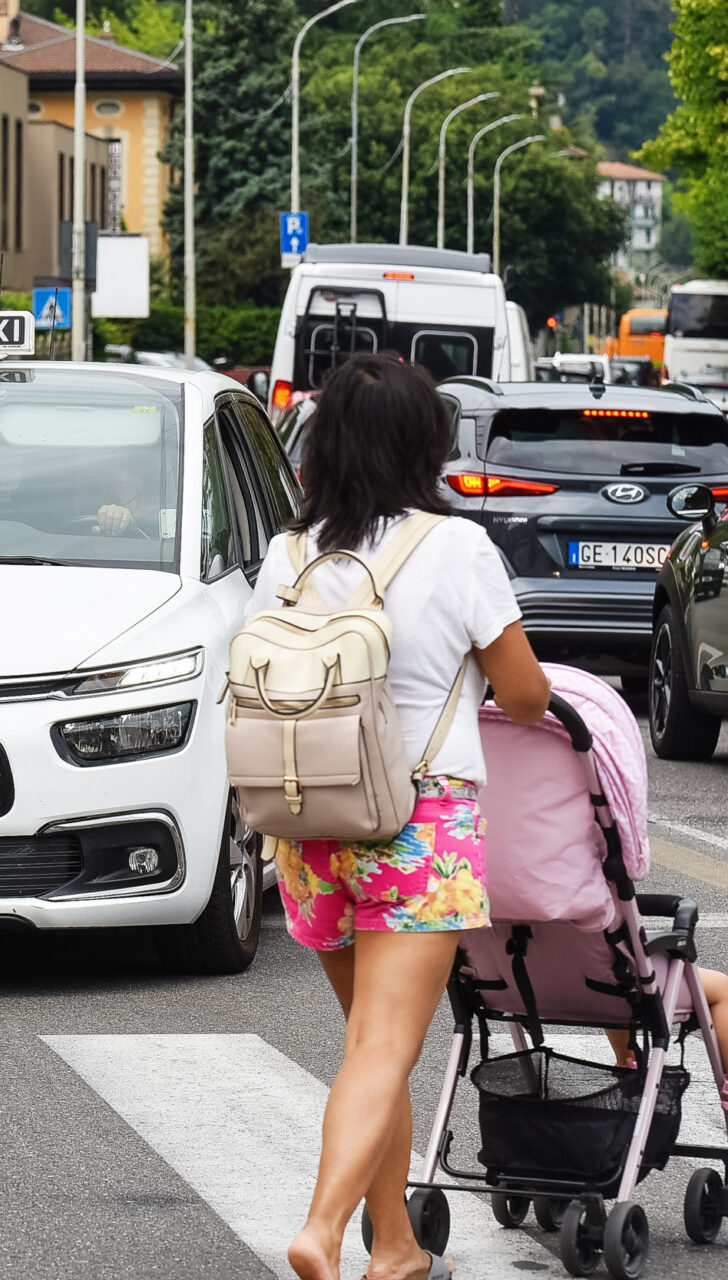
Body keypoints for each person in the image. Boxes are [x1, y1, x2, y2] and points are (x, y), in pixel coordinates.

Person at [251, 355, 552, 1280]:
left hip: (308, 828)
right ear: (427, 443)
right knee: (384, 1048)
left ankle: (397, 1250)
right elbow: (528, 695)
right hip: (415, 829)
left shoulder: (289, 552)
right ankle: (322, 1228)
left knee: (364, 1047)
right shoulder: (453, 549)